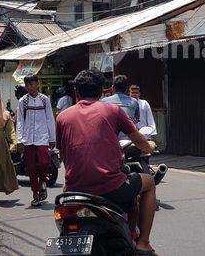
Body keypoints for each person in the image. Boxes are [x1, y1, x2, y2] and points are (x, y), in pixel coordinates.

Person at [58, 69, 158, 255]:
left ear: (77, 92)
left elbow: (64, 155)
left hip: (72, 191)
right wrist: (150, 146)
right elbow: (138, 141)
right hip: (110, 188)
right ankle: (143, 242)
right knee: (149, 182)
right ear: (103, 91)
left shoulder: (62, 117)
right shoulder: (113, 110)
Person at [16, 75, 56, 207]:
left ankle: (42, 181)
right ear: (26, 86)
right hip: (27, 138)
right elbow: (20, 120)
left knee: (44, 162)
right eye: (29, 85)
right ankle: (35, 195)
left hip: (42, 137)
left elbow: (50, 118)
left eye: (33, 84)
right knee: (31, 168)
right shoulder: (23, 101)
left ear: (37, 84)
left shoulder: (44, 100)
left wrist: (52, 138)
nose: (31, 87)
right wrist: (19, 140)